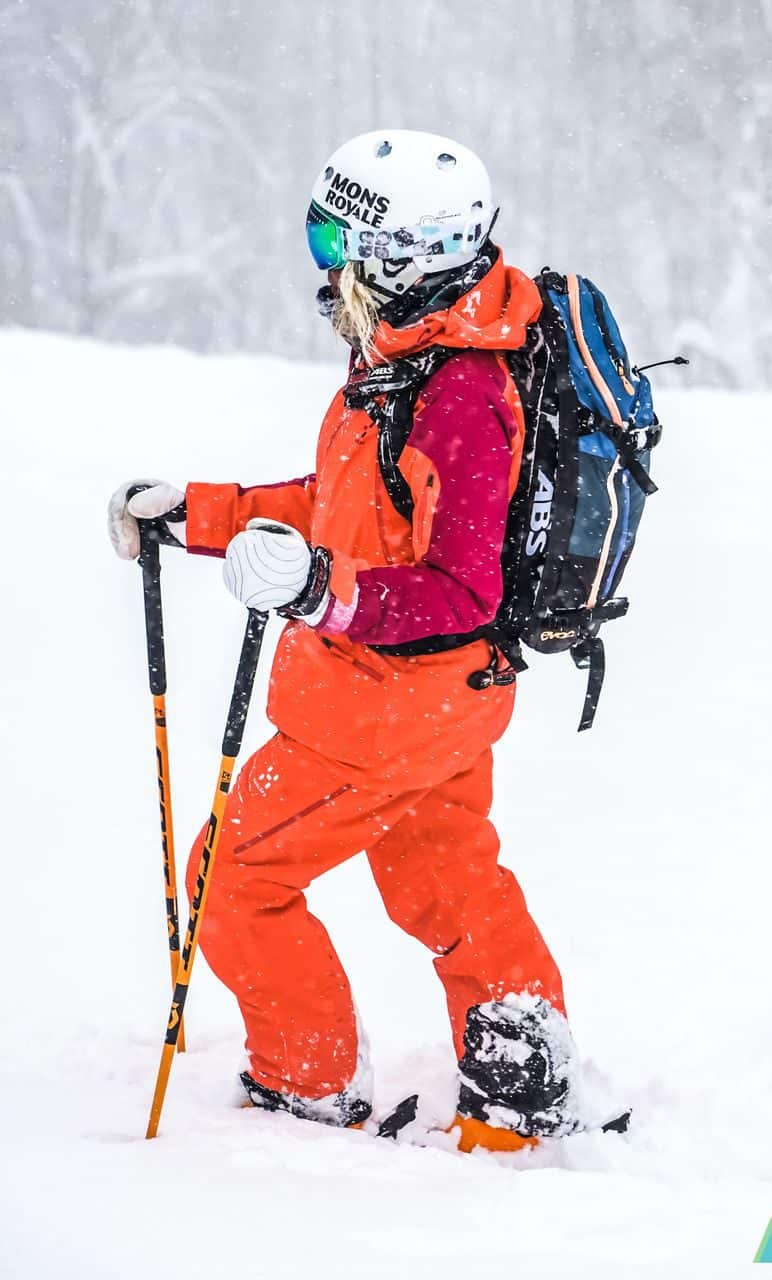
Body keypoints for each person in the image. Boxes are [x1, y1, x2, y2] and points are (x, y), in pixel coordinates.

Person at [109, 130, 581, 1151]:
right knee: (446, 882)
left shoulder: (457, 393)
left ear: (408, 250)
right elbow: (342, 509)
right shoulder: (409, 357)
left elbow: (462, 586)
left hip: (382, 705)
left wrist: (323, 591)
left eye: (339, 236)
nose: (324, 261)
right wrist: (199, 512)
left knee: (231, 881)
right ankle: (522, 1086)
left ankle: (305, 1078)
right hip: (441, 702)